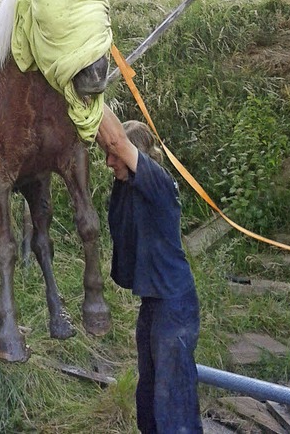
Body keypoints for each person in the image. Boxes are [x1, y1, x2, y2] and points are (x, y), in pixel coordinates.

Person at [99, 109, 203, 434]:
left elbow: (116, 138)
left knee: (173, 406)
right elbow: (106, 137)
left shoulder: (156, 181)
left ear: (135, 156)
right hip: (153, 305)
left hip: (175, 305)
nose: (109, 162)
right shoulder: (129, 187)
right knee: (149, 402)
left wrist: (79, 80)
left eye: (114, 156)